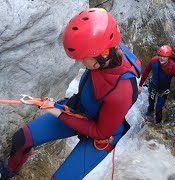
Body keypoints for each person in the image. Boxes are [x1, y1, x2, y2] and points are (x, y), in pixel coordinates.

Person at [0, 8, 141, 180]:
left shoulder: (122, 89)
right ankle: (8, 171)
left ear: (102, 55)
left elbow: (100, 131)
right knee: (22, 138)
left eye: (83, 58)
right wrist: (60, 110)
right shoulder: (107, 48)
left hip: (101, 136)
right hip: (79, 109)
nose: (80, 63)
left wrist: (58, 112)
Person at [138, 45, 175, 124]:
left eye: (164, 56)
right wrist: (140, 85)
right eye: (160, 56)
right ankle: (149, 114)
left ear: (169, 57)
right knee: (151, 101)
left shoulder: (174, 68)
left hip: (163, 90)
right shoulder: (154, 61)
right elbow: (146, 72)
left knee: (159, 108)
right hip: (153, 85)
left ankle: (157, 124)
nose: (161, 58)